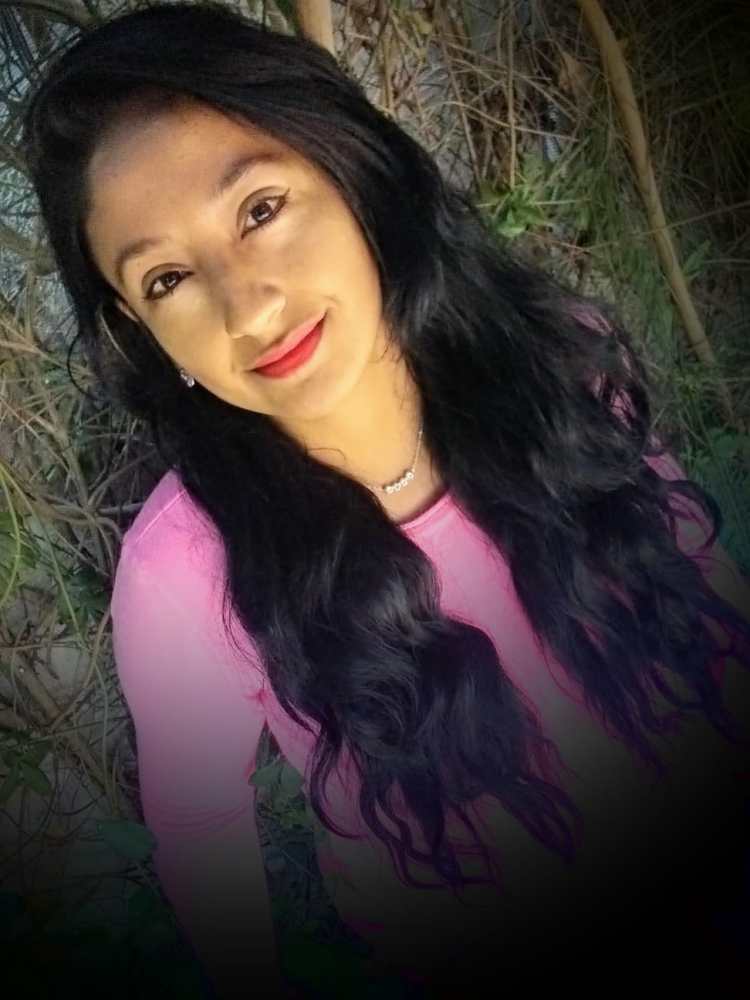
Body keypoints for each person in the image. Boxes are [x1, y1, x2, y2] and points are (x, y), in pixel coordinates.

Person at [20, 2, 750, 996]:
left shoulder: (550, 358)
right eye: (169, 278)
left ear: (350, 170)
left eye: (260, 211)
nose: (249, 306)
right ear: (140, 330)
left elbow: (697, 578)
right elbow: (203, 839)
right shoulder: (183, 576)